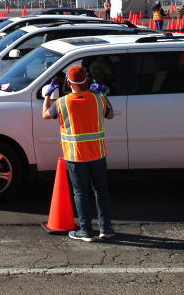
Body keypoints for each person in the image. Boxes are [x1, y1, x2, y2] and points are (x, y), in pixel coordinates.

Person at [43, 64, 115, 242]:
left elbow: (45, 114)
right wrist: (103, 95)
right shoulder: (98, 99)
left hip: (76, 156)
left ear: (69, 81)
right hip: (98, 154)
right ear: (87, 80)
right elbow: (111, 115)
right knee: (101, 191)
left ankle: (86, 231)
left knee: (81, 193)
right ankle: (106, 229)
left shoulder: (63, 103)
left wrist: (47, 95)